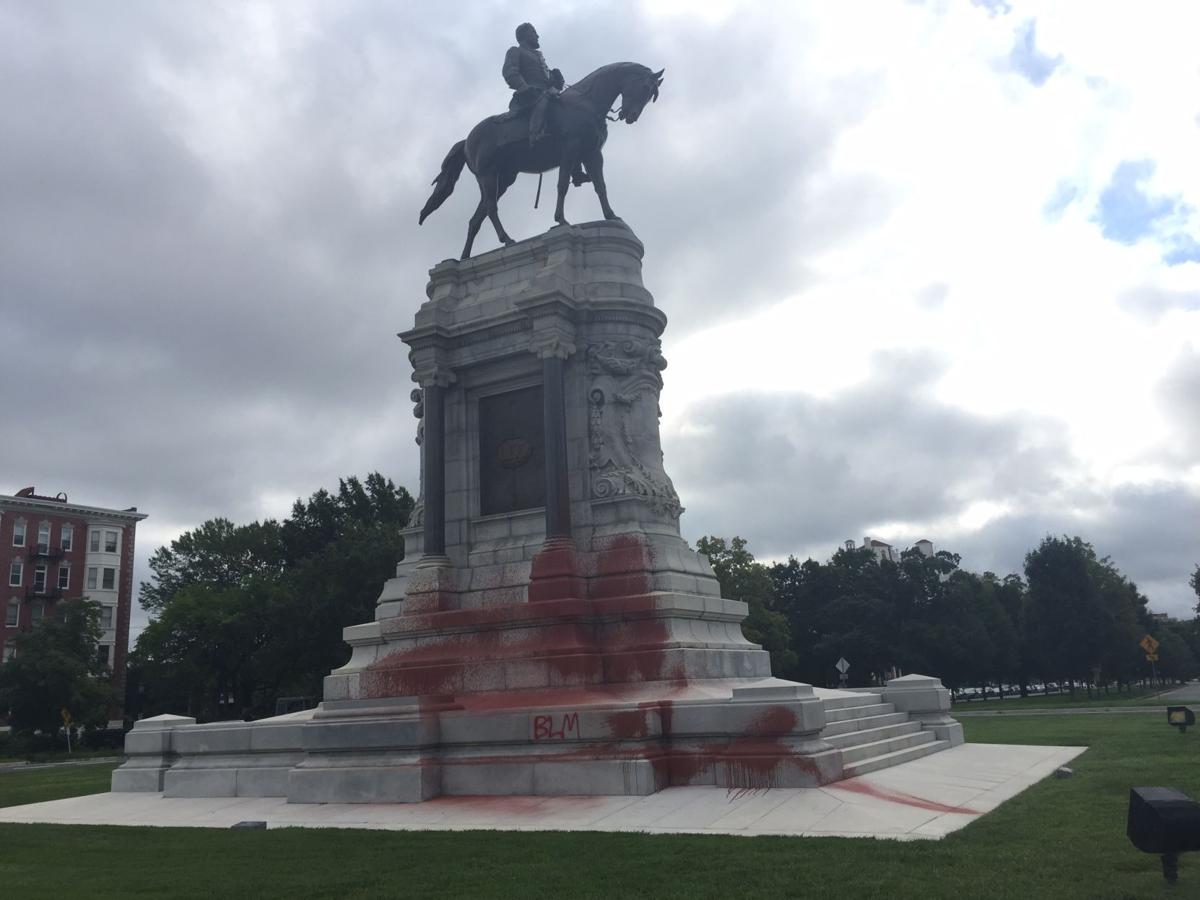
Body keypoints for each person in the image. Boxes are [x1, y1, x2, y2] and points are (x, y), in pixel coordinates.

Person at [503, 23, 589, 184]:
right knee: (544, 101)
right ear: (524, 35)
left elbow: (547, 81)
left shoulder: (539, 57)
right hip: (529, 95)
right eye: (533, 32)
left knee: (570, 112)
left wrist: (555, 80)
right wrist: (523, 86)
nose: (537, 35)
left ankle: (576, 170)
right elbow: (510, 72)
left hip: (547, 93)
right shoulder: (516, 51)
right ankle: (536, 136)